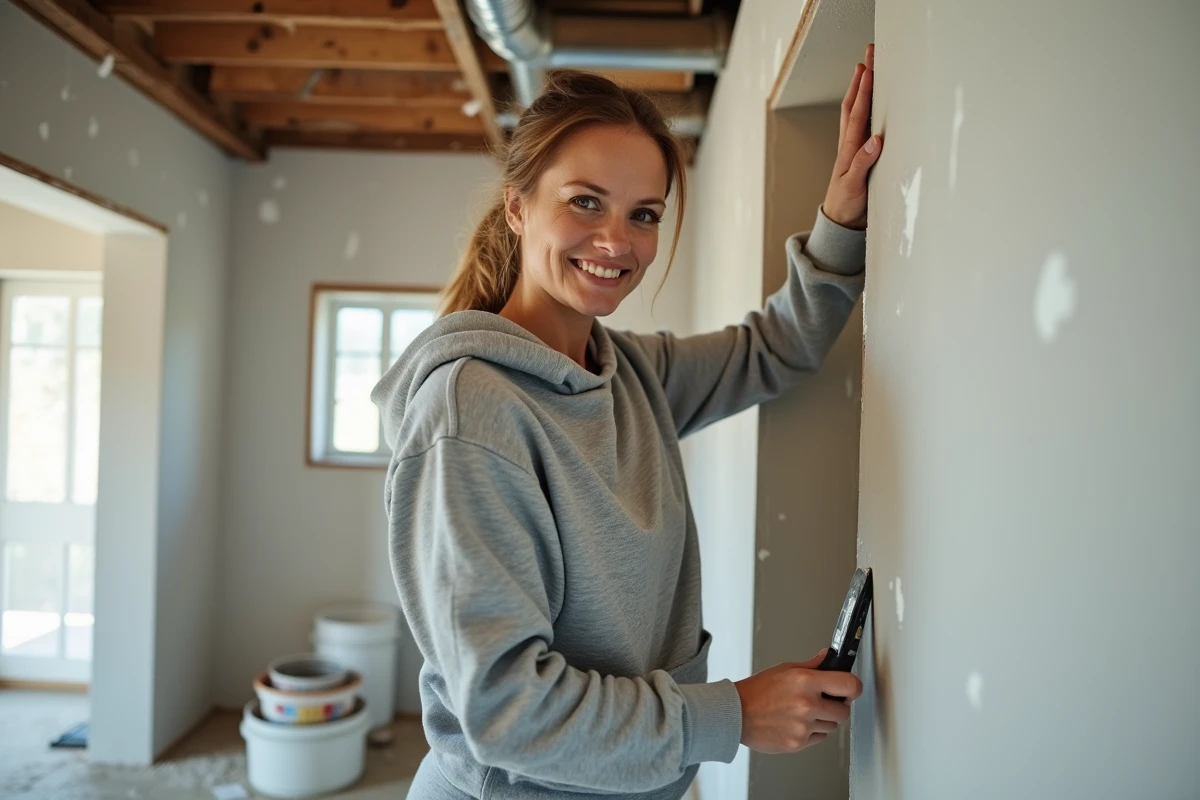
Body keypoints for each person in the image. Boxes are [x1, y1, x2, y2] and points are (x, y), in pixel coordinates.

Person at [371, 45, 882, 800]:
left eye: (643, 215)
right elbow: (508, 708)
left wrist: (841, 216)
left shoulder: (629, 373)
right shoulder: (470, 415)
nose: (618, 242)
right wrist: (733, 714)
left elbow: (773, 349)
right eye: (585, 201)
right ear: (517, 205)